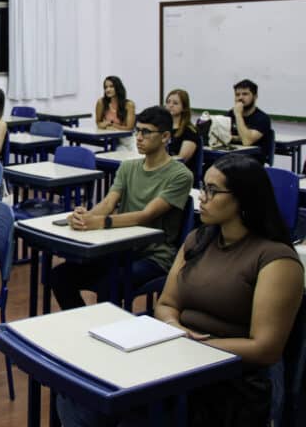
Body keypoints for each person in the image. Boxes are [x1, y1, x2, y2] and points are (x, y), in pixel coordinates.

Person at [57, 154, 303, 427]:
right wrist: (175, 328)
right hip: (176, 355)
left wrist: (195, 345)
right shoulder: (198, 239)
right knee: (76, 394)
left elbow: (265, 348)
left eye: (213, 191)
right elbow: (166, 304)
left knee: (131, 416)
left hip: (227, 377)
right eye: (203, 187)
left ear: (243, 198)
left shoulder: (276, 260)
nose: (202, 198)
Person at [50, 106, 193, 310]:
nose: (139, 138)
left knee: (109, 284)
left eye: (146, 132)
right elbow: (108, 203)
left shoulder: (180, 175)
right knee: (60, 276)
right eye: (137, 131)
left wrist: (100, 222)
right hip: (121, 249)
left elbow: (146, 215)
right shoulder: (128, 167)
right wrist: (85, 217)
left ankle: (104, 326)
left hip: (154, 257)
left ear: (165, 137)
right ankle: (87, 323)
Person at [225, 79, 272, 165]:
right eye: (237, 95)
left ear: (255, 96)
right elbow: (221, 136)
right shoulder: (229, 114)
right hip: (230, 157)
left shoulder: (262, 118)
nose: (240, 98)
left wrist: (238, 114)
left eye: (245, 94)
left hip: (251, 162)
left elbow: (247, 141)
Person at [165, 88, 199, 180]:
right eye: (168, 102)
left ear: (184, 107)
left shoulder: (190, 131)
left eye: (175, 103)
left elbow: (181, 159)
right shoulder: (162, 128)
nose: (170, 105)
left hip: (180, 175)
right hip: (162, 170)